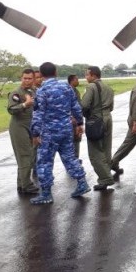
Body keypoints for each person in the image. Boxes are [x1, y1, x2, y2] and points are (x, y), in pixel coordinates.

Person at [30, 62, 90, 204]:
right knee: (69, 157)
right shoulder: (66, 87)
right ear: (56, 72)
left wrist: (35, 133)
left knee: (44, 161)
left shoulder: (42, 91)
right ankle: (82, 182)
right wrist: (80, 123)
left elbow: (38, 114)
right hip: (66, 129)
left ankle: (46, 194)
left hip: (49, 132)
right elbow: (75, 107)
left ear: (41, 74)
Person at [81, 66, 115, 191]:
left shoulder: (91, 87)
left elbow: (84, 105)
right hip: (108, 117)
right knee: (106, 148)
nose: (86, 77)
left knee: (95, 152)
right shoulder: (108, 87)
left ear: (93, 76)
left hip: (95, 119)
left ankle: (105, 178)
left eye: (87, 75)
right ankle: (106, 175)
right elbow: (111, 106)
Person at [8, 68, 39, 194]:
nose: (27, 81)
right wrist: (25, 104)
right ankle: (26, 184)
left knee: (30, 155)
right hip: (19, 126)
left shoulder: (35, 91)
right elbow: (11, 109)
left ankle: (21, 183)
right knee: (25, 155)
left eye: (29, 78)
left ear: (34, 79)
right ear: (21, 78)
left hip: (31, 125)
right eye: (24, 78)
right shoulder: (16, 93)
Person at [68, 74, 82, 157]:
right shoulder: (70, 91)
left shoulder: (75, 90)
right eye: (76, 79)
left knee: (77, 140)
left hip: (77, 120)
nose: (78, 81)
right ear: (72, 80)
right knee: (74, 141)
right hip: (73, 121)